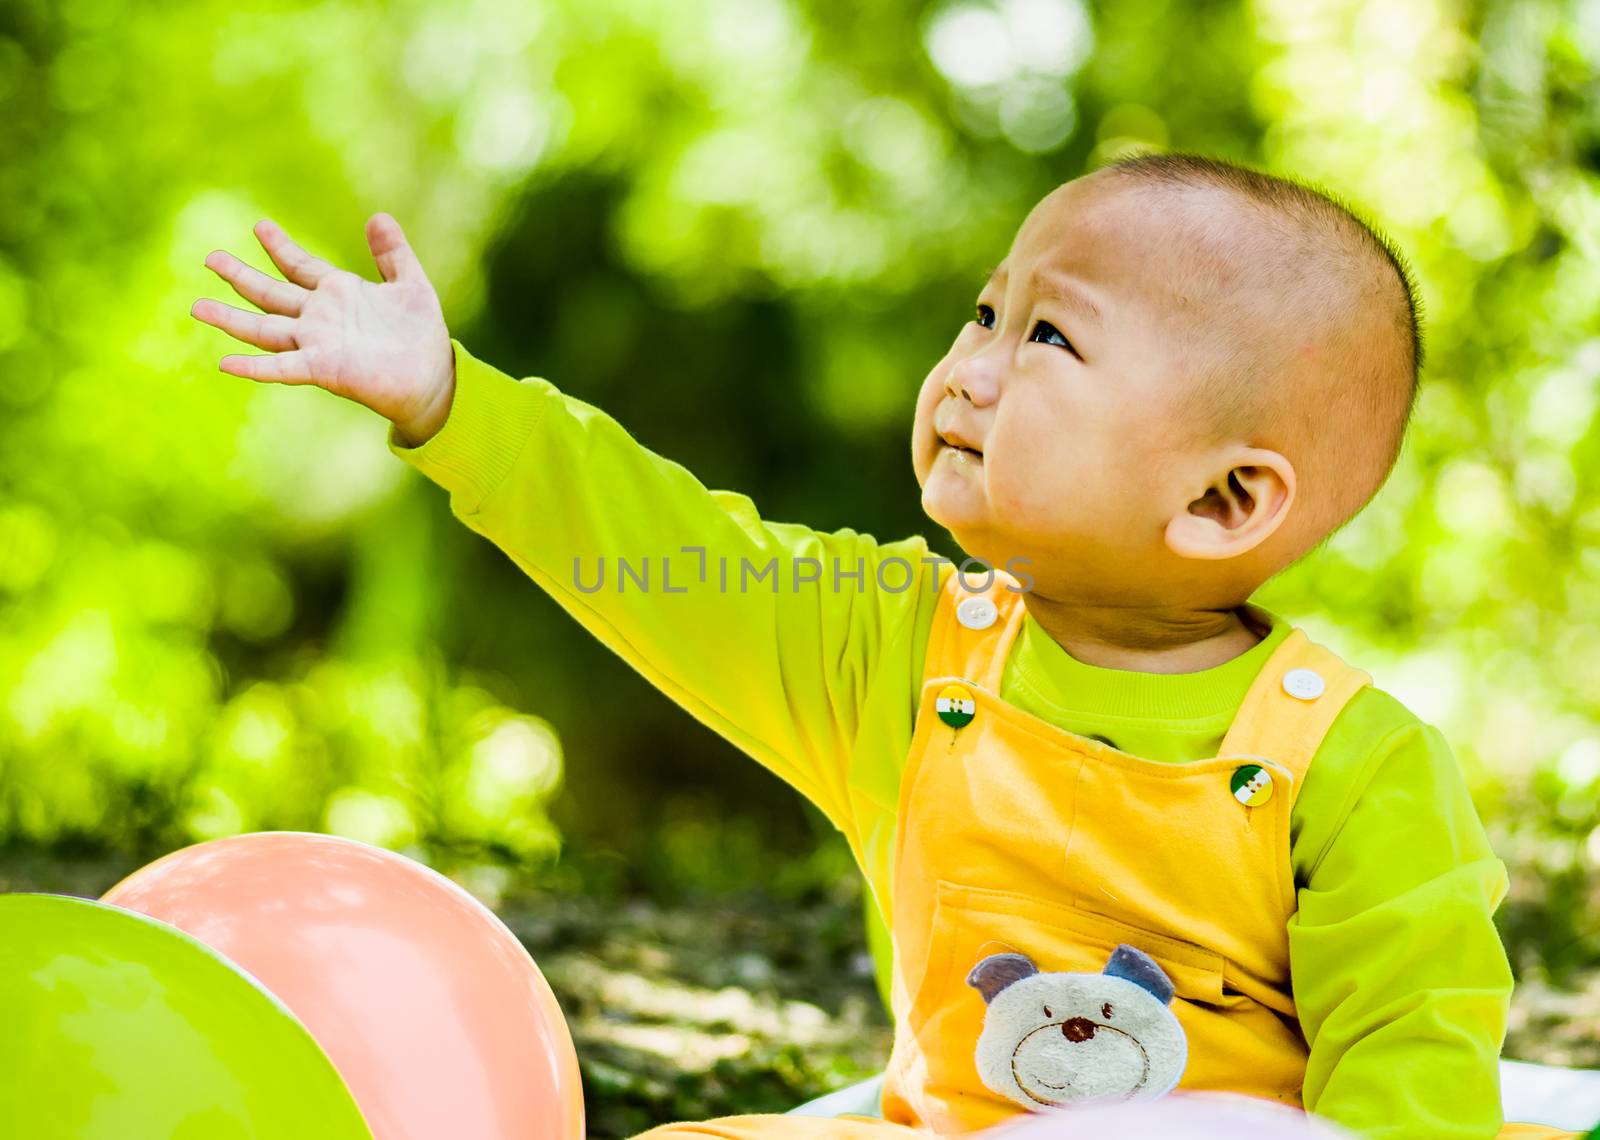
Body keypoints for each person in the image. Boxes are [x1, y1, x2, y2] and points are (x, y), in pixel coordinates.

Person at [189, 152, 1577, 1139]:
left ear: (1224, 499)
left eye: (1048, 336)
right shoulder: (897, 654)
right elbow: (671, 556)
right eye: (984, 311)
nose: (969, 364)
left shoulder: (1363, 767)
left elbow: (1413, 1075)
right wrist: (451, 403)